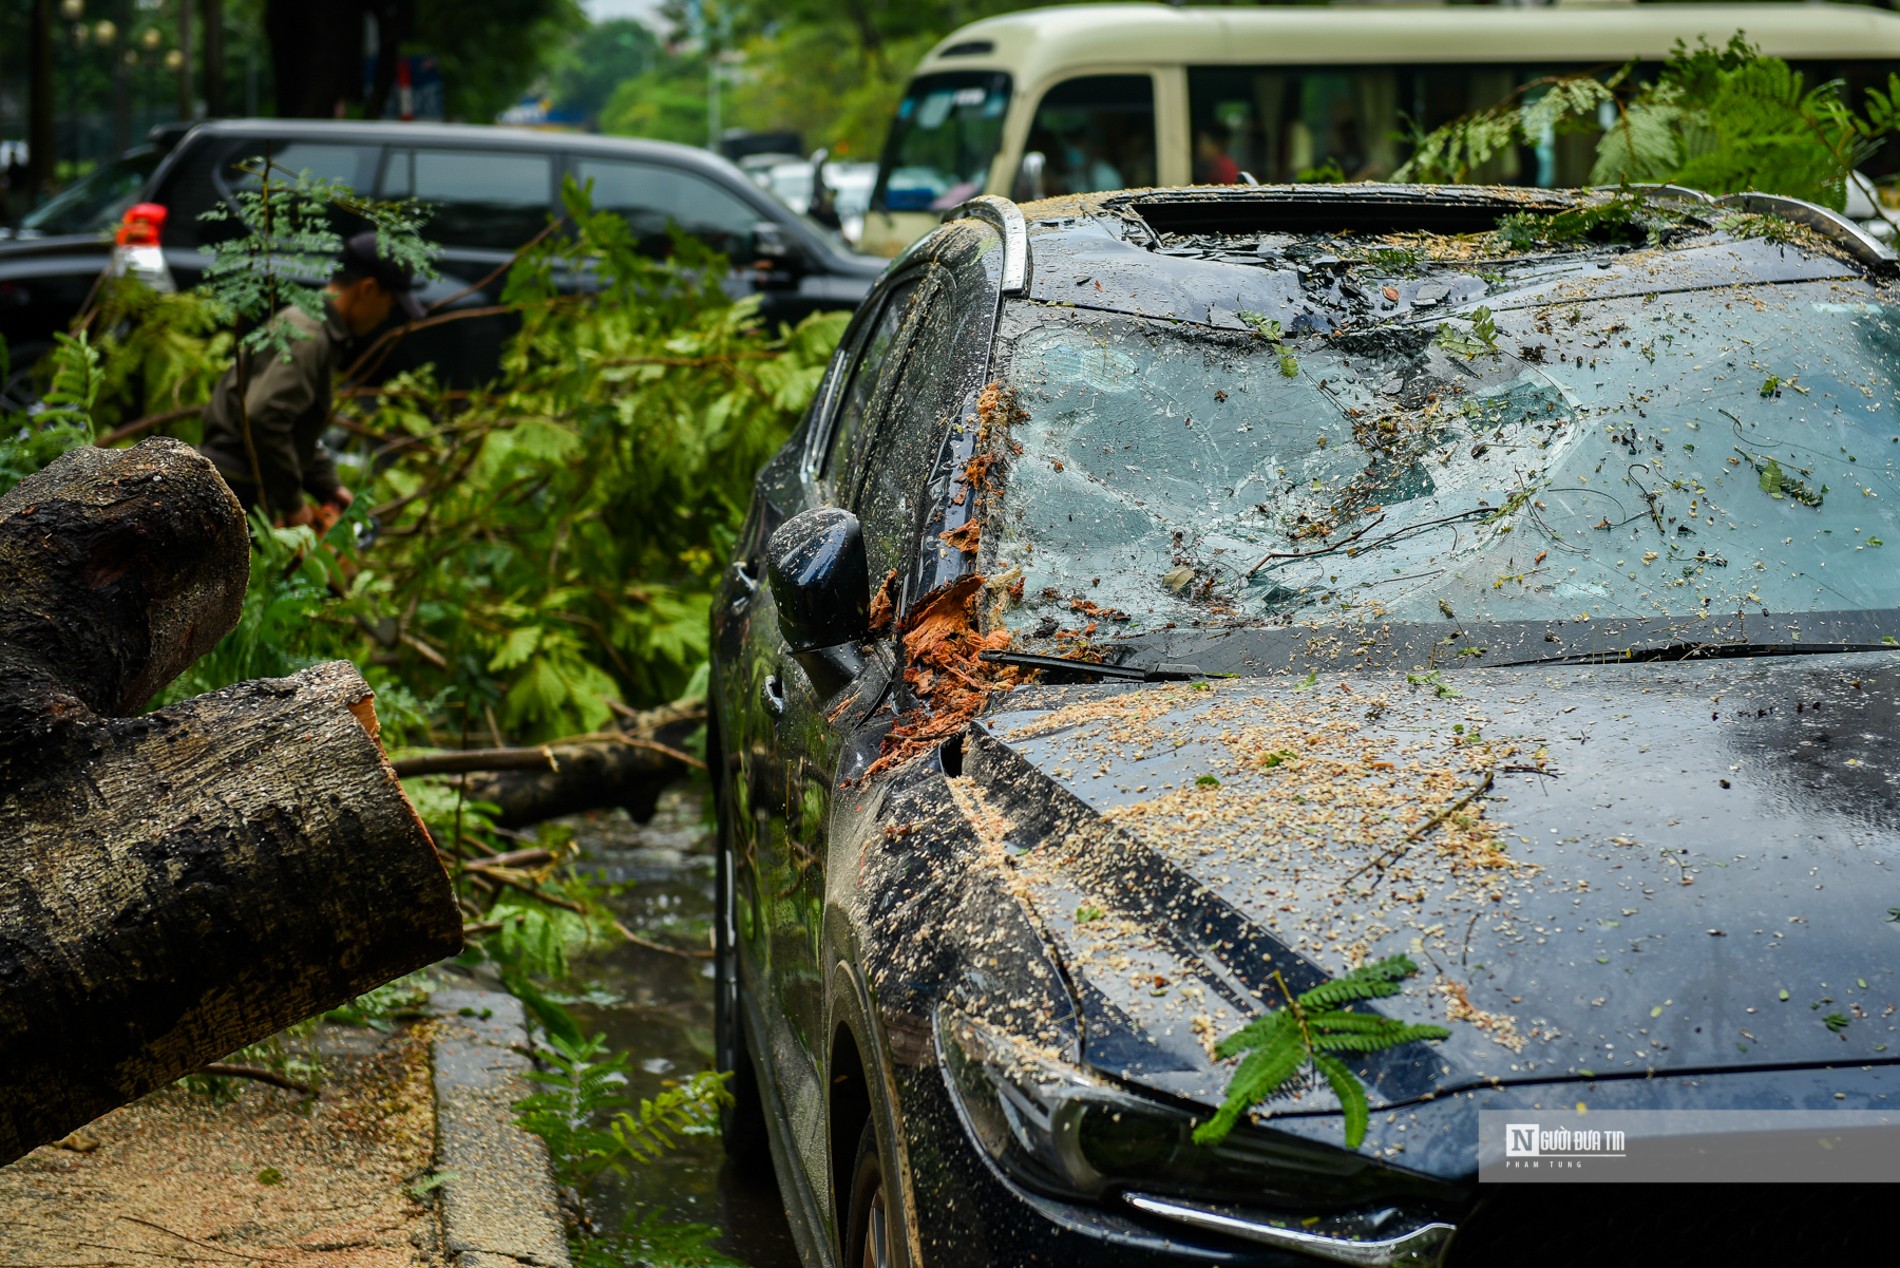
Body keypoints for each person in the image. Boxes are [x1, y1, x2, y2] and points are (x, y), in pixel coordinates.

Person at [199, 231, 422, 527]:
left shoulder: (316, 328)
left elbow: (294, 429)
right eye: (390, 305)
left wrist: (327, 485)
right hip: (236, 486)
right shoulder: (308, 335)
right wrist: (294, 506)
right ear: (367, 289)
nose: (385, 317)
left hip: (246, 483)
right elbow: (265, 416)